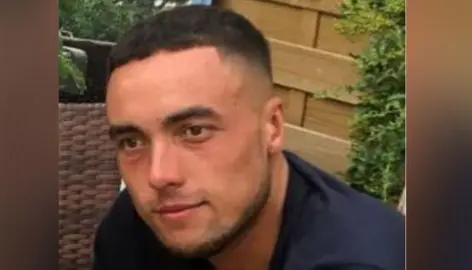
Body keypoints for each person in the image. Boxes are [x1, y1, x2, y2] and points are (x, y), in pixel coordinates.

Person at [93, 5, 405, 270]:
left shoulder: (358, 259)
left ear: (273, 126)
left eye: (194, 131)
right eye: (132, 142)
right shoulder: (134, 229)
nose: (158, 175)